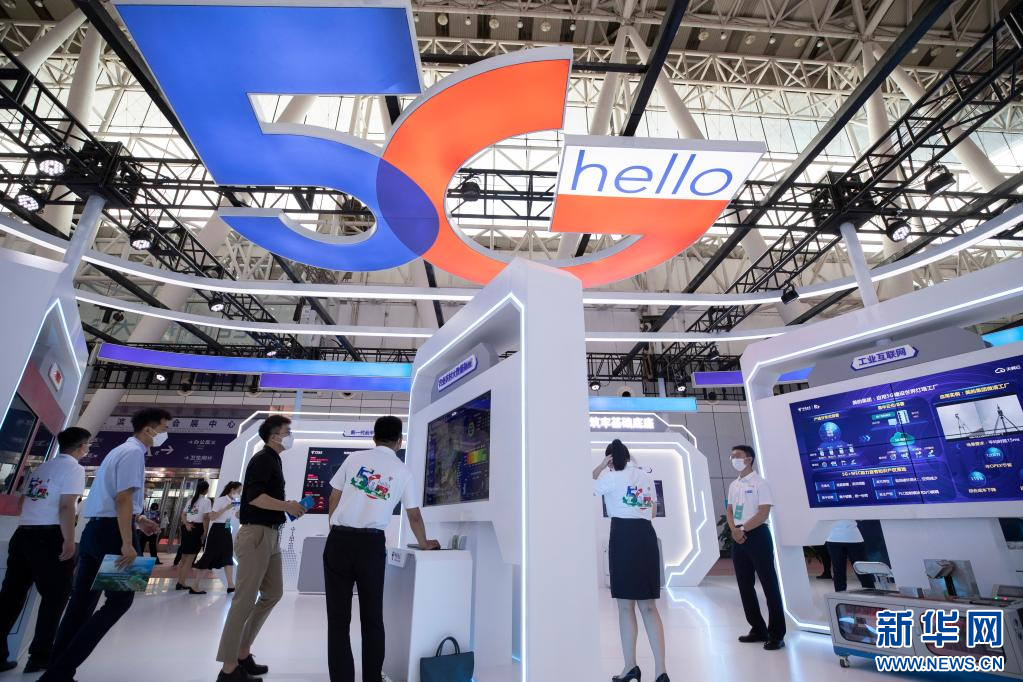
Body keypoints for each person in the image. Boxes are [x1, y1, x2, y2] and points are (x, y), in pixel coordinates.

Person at [40, 409, 168, 682]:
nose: (165, 435)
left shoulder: (119, 451)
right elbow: (123, 499)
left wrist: (139, 520)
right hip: (113, 534)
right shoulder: (134, 453)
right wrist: (127, 542)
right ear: (148, 429)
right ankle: (62, 669)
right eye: (164, 428)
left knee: (81, 604)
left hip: (95, 531)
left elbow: (114, 498)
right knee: (120, 601)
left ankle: (56, 671)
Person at [323, 415, 440, 682]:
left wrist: (334, 529)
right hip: (371, 546)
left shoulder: (354, 459)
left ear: (374, 437)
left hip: (339, 541)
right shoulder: (403, 471)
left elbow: (334, 496)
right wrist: (424, 543)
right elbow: (413, 515)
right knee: (373, 618)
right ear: (399, 441)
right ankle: (372, 678)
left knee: (338, 619)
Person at [215, 415, 309, 682]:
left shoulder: (274, 460)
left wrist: (287, 508)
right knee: (244, 600)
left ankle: (242, 651)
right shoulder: (263, 459)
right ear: (274, 436)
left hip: (271, 535)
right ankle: (229, 669)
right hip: (256, 535)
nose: (290, 436)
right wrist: (287, 505)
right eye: (287, 432)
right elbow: (255, 497)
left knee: (273, 593)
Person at [0, 427, 90, 674]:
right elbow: (66, 506)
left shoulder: (41, 468)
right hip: (49, 536)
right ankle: (40, 655)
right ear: (80, 446)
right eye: (87, 444)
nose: (88, 448)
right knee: (56, 596)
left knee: (11, 595)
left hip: (23, 534)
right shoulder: (74, 469)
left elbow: (22, 503)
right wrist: (69, 539)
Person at [593, 439, 670, 682]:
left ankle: (630, 667)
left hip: (623, 537)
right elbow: (653, 511)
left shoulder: (609, 477)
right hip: (646, 536)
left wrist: (600, 467)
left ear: (610, 459)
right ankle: (661, 672)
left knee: (625, 607)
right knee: (649, 607)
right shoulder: (645, 477)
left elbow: (588, 485)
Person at [727, 445, 786, 651]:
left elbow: (763, 513)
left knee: (769, 585)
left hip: (757, 535)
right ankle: (758, 628)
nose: (733, 459)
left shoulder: (761, 483)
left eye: (737, 455)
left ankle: (777, 634)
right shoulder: (734, 485)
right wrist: (734, 530)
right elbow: (730, 510)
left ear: (749, 459)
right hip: (738, 537)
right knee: (745, 585)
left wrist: (742, 529)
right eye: (732, 456)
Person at [196, 481, 242, 593]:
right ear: (232, 489)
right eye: (239, 490)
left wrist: (241, 508)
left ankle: (231, 585)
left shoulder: (235, 502)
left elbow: (236, 515)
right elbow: (212, 517)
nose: (240, 493)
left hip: (226, 529)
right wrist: (226, 508)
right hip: (217, 530)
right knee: (208, 556)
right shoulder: (221, 500)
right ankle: (195, 585)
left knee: (228, 556)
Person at [177, 479, 212, 595]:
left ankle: (180, 582)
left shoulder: (191, 500)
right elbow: (205, 518)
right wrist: (205, 532)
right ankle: (181, 583)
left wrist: (186, 524)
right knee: (190, 558)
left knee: (184, 557)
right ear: (206, 490)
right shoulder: (206, 501)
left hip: (187, 528)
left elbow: (183, 514)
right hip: (196, 528)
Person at [826, 520, 869, 592]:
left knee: (839, 571)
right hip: (852, 537)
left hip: (835, 538)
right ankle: (871, 595)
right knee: (862, 570)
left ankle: (840, 596)